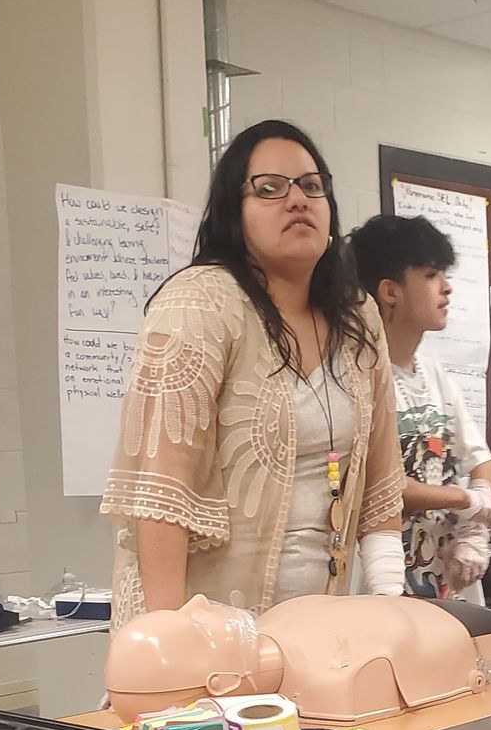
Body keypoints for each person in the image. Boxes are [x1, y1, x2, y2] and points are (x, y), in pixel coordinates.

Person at [101, 119, 406, 622]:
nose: (297, 200)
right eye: (269, 189)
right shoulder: (199, 304)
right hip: (204, 625)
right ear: (233, 212)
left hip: (319, 630)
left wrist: (389, 603)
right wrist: (170, 636)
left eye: (312, 186)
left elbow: (381, 478)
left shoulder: (359, 315)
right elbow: (161, 493)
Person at [347, 213, 491, 600]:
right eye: (431, 275)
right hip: (384, 578)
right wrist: (468, 500)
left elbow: (478, 458)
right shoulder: (358, 378)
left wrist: (474, 531)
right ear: (390, 291)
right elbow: (382, 486)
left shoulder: (434, 374)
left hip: (448, 576)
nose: (447, 289)